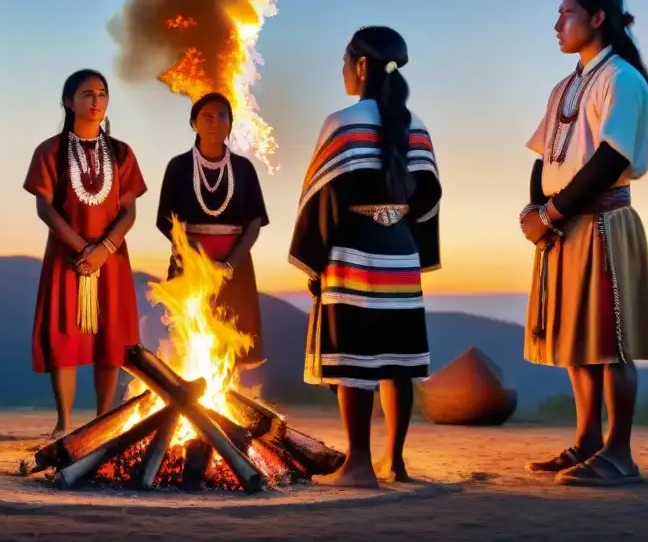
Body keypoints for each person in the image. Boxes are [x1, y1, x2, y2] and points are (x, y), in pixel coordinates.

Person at [520, 0, 648, 487]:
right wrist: (537, 209)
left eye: (567, 13)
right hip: (565, 223)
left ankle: (619, 453)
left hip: (601, 221)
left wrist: (552, 214)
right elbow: (545, 158)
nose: (558, 24)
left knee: (608, 342)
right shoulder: (564, 86)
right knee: (575, 342)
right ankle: (586, 442)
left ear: (598, 18)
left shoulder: (622, 80)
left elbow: (611, 158)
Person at [288, 25, 442, 488]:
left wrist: (314, 260)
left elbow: (322, 198)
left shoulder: (342, 123)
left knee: (355, 357)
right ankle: (394, 462)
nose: (342, 70)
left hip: (353, 247)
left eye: (344, 61)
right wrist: (400, 228)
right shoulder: (417, 125)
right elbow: (430, 194)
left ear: (360, 65)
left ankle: (357, 465)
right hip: (400, 249)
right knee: (396, 357)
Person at [23, 69, 148, 437]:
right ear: (69, 101)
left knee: (109, 337)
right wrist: (82, 250)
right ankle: (63, 424)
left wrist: (104, 250)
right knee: (64, 335)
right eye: (87, 94)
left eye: (102, 94)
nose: (96, 101)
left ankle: (103, 420)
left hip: (111, 259)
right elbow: (45, 208)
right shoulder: (50, 151)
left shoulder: (122, 152)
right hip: (68, 257)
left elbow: (129, 210)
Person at [156, 92, 270, 370]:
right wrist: (197, 260)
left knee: (231, 336)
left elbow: (255, 222)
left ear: (230, 125)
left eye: (222, 116)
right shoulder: (179, 167)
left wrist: (230, 264)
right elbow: (166, 221)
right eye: (206, 116)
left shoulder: (243, 169)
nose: (214, 122)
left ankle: (223, 398)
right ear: (193, 122)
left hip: (237, 264)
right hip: (191, 264)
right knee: (193, 333)